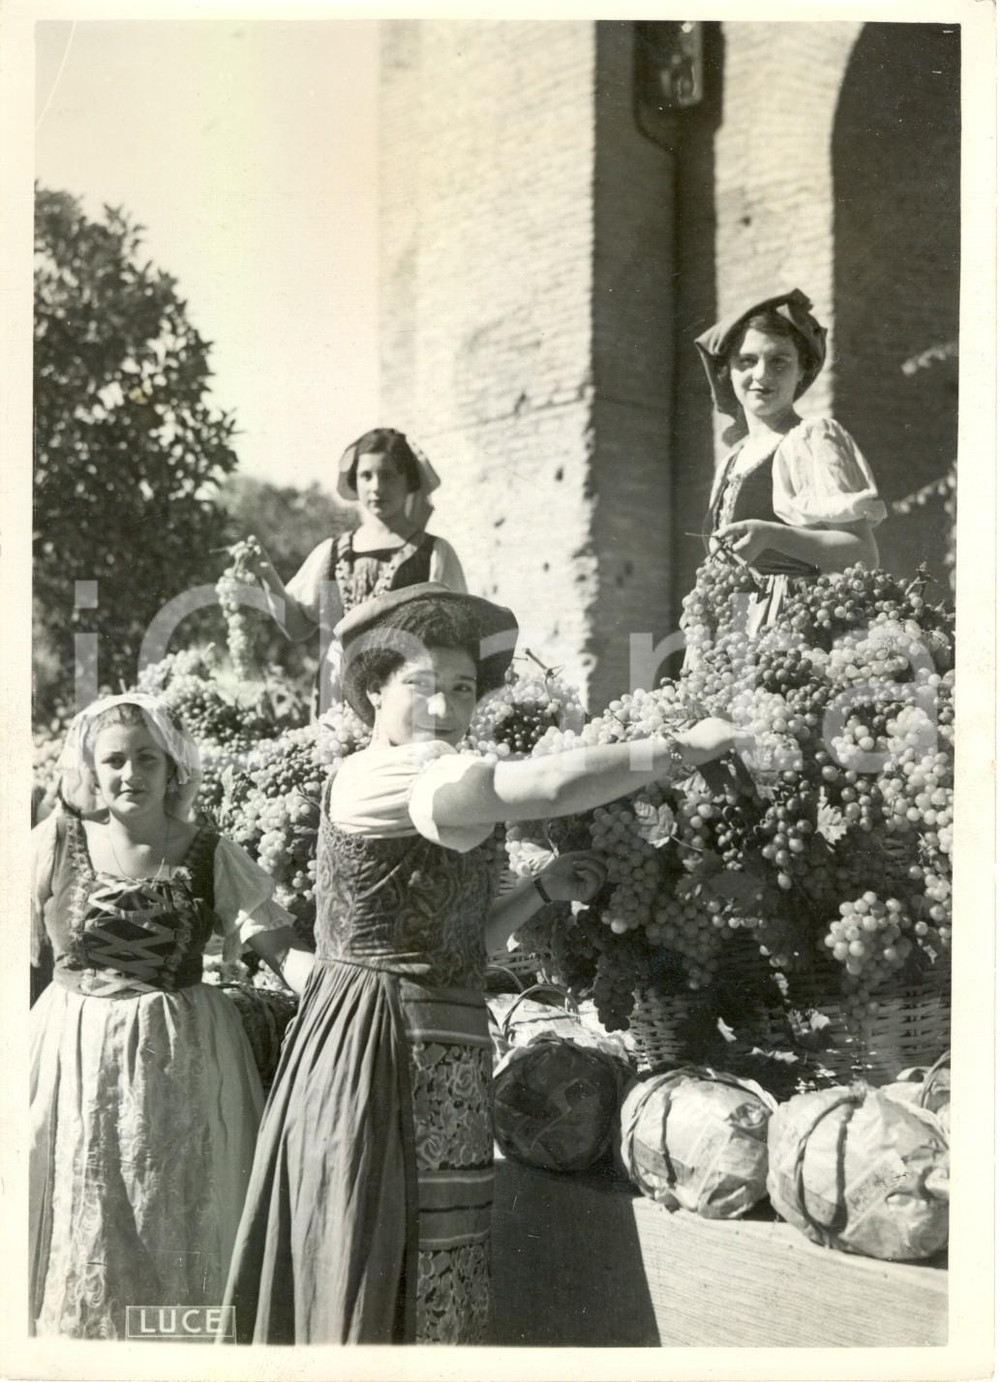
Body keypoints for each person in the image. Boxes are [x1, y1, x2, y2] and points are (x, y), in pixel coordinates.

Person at [222, 583, 745, 1345]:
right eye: (422, 686)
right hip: (381, 1046)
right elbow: (547, 784)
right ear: (373, 687)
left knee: (428, 1260)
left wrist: (540, 889)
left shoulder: (429, 776)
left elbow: (466, 944)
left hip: (438, 1044)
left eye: (462, 688)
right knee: (377, 1249)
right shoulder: (399, 773)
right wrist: (677, 750)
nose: (444, 707)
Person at [29, 693, 315, 1339]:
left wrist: (345, 987)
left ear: (172, 768)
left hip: (181, 1061)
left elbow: (275, 948)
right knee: (88, 1206)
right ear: (91, 769)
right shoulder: (55, 841)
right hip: (74, 1056)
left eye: (147, 758)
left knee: (172, 1208)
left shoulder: (210, 850)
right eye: (116, 761)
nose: (131, 774)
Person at [693, 288, 887, 632]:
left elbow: (862, 553)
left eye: (779, 361)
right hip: (732, 635)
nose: (762, 375)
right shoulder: (730, 462)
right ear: (729, 372)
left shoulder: (812, 440)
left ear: (802, 371)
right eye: (747, 361)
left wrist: (774, 536)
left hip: (796, 632)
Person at [246, 428, 466, 708]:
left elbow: (456, 641)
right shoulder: (331, 553)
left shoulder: (434, 553)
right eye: (366, 476)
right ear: (355, 481)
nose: (376, 486)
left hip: (405, 703)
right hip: (333, 700)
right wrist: (267, 575)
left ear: (409, 480)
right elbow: (297, 627)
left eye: (387, 475)